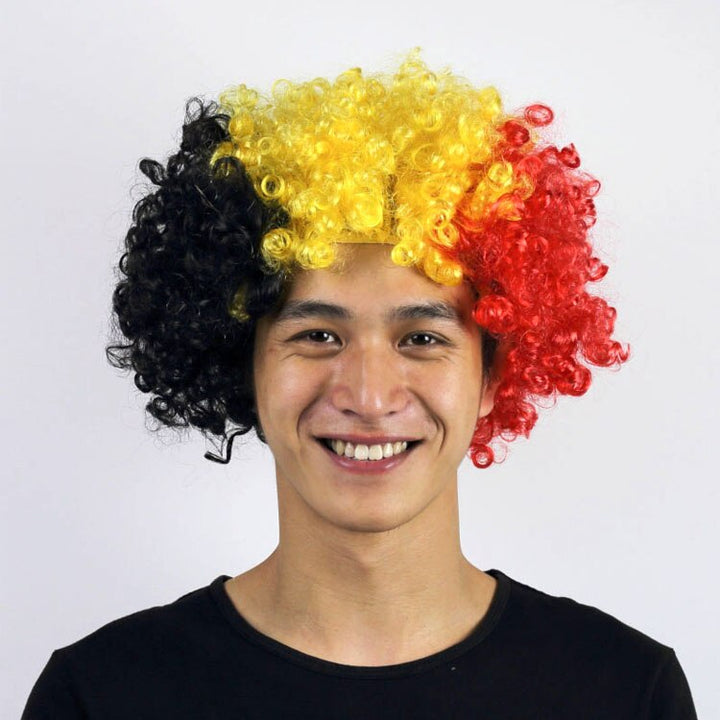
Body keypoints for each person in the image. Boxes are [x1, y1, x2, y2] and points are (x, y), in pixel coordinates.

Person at [22, 54, 696, 719]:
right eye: (318, 335)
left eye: (422, 339)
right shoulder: (101, 695)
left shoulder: (624, 691)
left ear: (494, 374)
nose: (369, 398)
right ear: (243, 365)